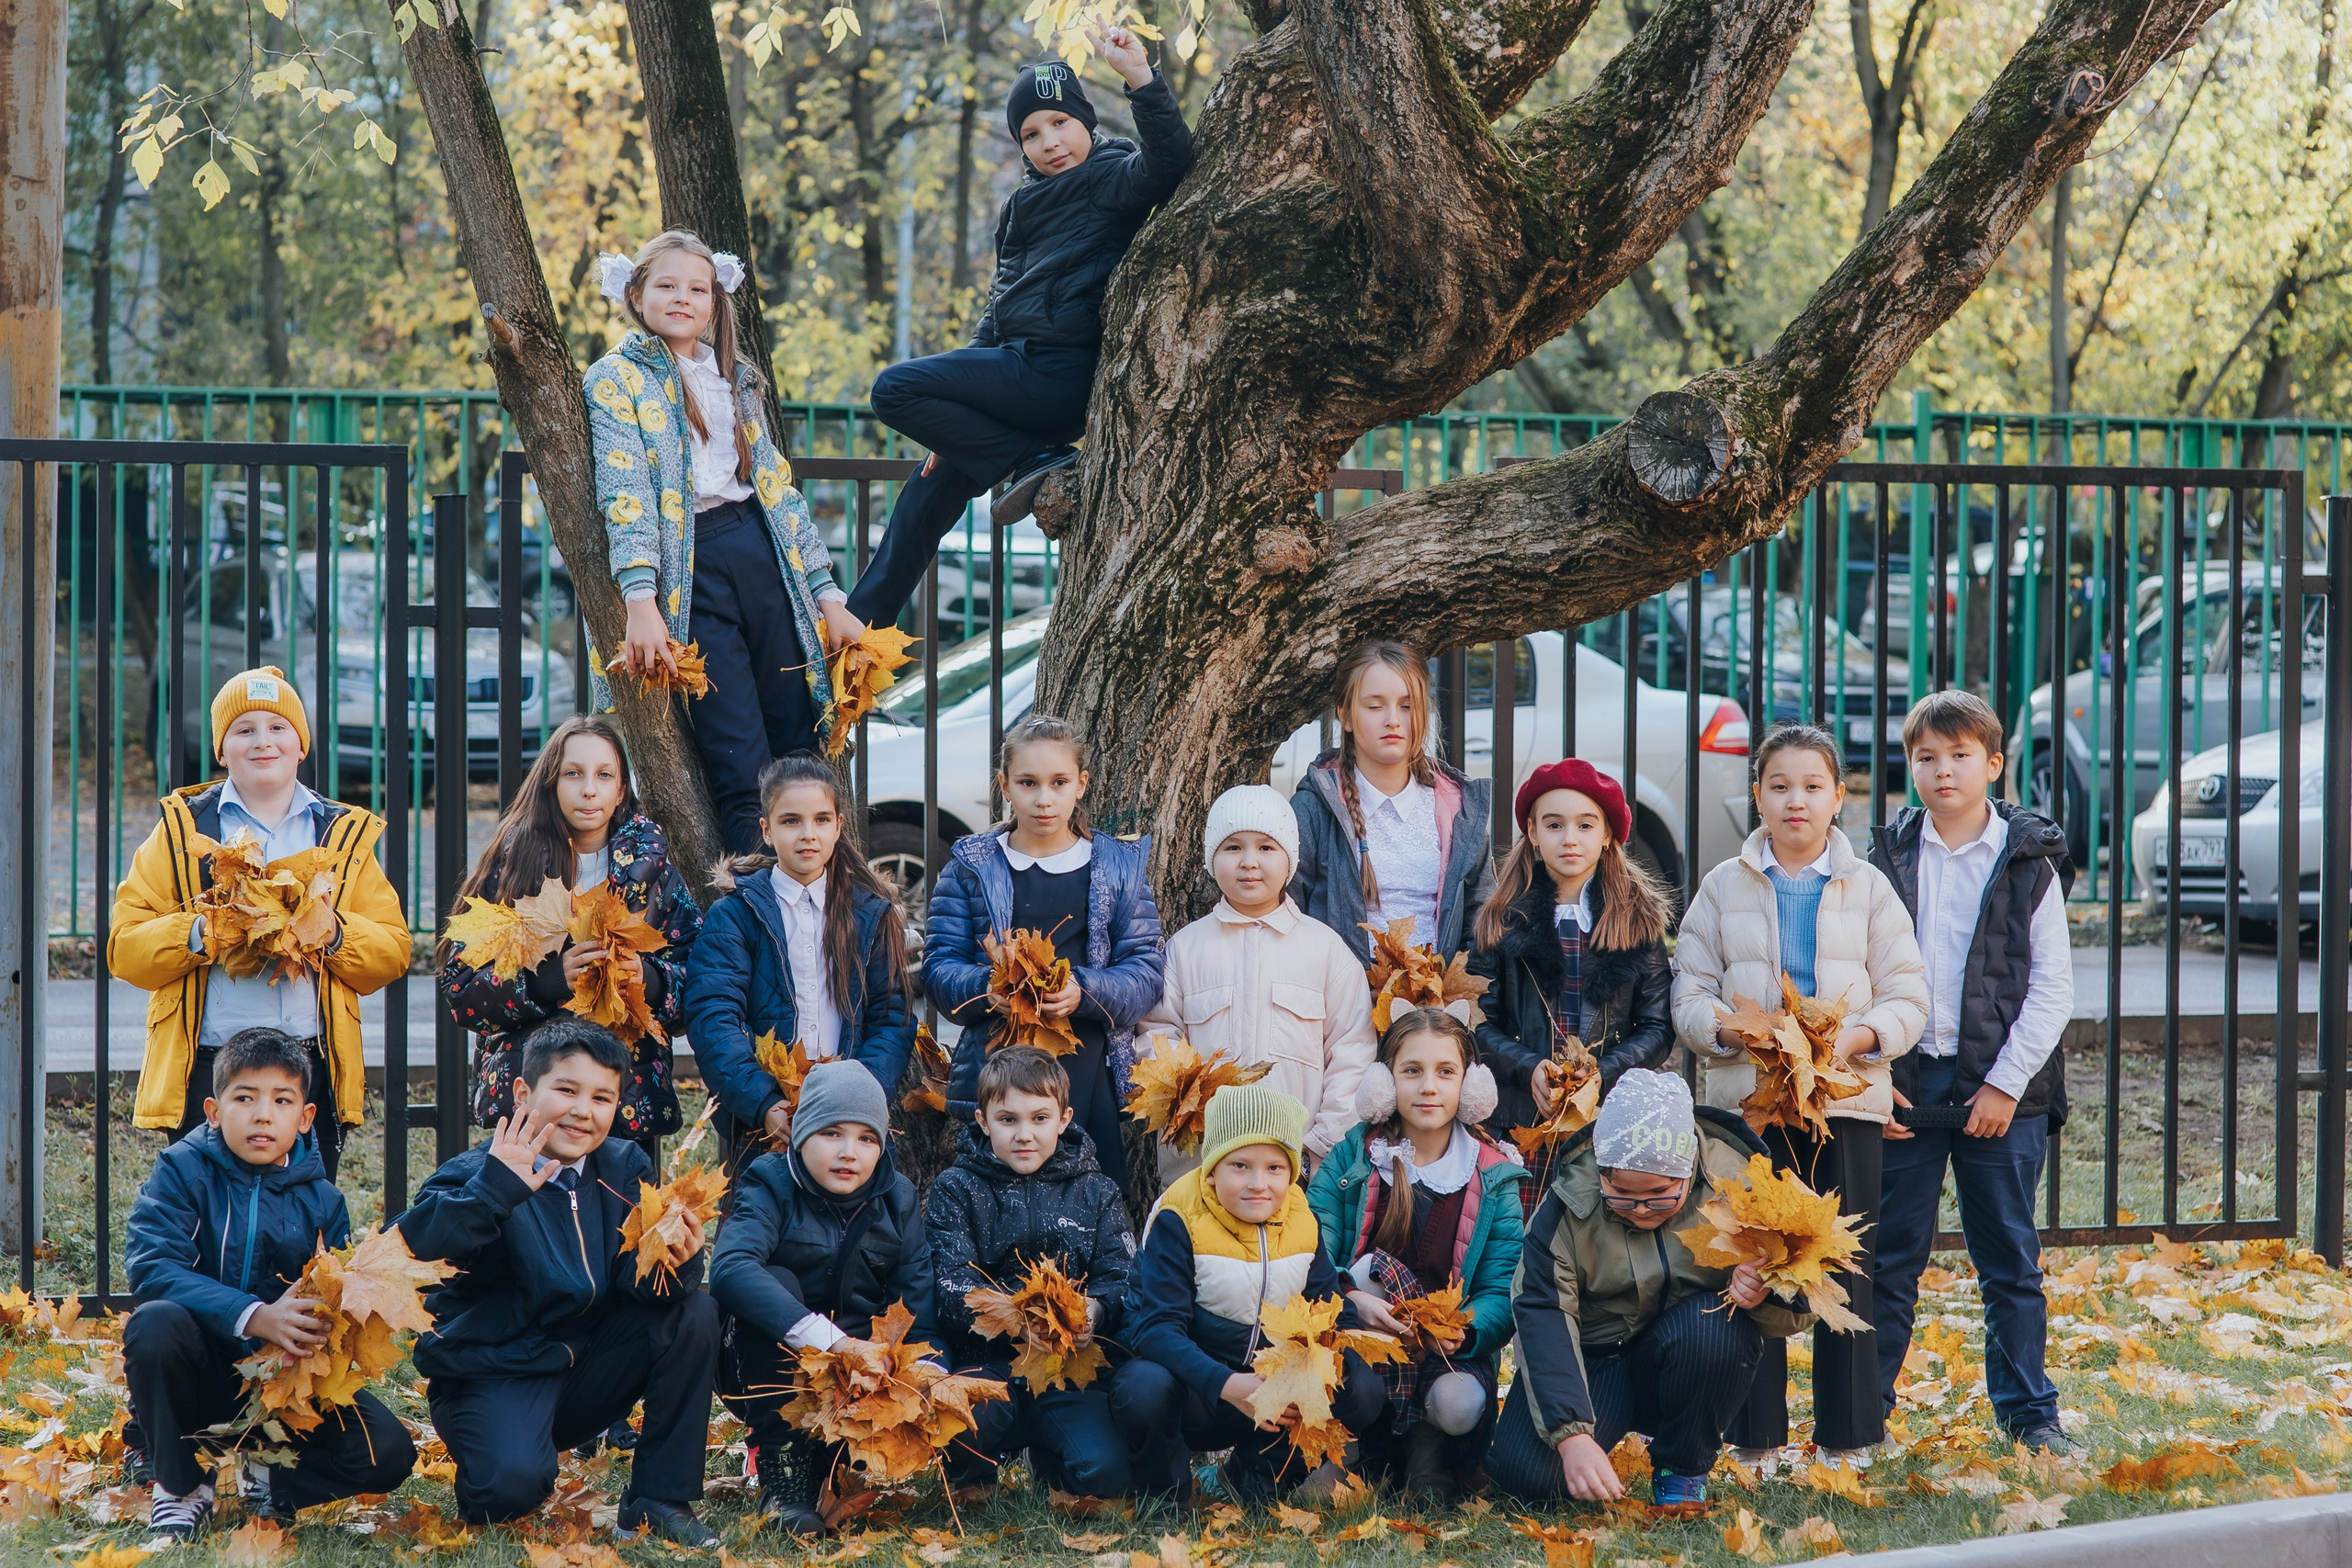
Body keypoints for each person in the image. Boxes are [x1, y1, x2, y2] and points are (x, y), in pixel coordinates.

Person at [842, 32, 1197, 629]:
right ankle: (860, 627)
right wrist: (954, 419)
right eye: (1031, 134)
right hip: (1014, 370)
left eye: (1060, 122)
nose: (1049, 142)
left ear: (1084, 120)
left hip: (1059, 374)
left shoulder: (1111, 177)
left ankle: (1034, 458)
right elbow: (997, 308)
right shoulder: (1019, 207)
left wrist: (1140, 77)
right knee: (931, 482)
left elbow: (1171, 162)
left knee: (891, 390)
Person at [1671, 723, 1928, 1470]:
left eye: (1813, 786)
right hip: (1751, 1103)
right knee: (1754, 1262)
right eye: (1779, 785)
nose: (1796, 800)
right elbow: (1689, 992)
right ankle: (1756, 1437)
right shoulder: (1722, 886)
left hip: (1842, 1101)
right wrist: (1731, 1033)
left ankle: (1849, 1435)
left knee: (1845, 1262)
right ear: (1757, 794)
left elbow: (1908, 994)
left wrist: (1853, 1043)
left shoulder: (1869, 888)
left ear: (1838, 799)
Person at [585, 229, 865, 855]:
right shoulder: (615, 378)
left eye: (697, 288)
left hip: (760, 555)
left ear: (715, 302)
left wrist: (827, 595)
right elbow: (623, 491)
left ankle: (818, 913)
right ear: (636, 293)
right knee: (738, 757)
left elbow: (779, 493)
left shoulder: (734, 377)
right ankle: (759, 914)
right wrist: (640, 600)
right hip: (692, 569)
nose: (682, 298)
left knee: (801, 742)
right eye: (666, 286)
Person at [396, 1019, 721, 1544]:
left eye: (602, 1097)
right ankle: (503, 1452)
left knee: (693, 1312)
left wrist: (676, 1263)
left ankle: (657, 1500)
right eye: (566, 1090)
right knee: (507, 1493)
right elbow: (411, 1249)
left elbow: (636, 1287)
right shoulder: (475, 1172)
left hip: (585, 1370)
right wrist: (492, 1192)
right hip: (495, 1372)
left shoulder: (622, 1166)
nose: (583, 1111)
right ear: (524, 1092)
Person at [1867, 691, 2075, 1453]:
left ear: (1993, 764)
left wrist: (2004, 1085)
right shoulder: (1885, 856)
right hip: (1908, 1081)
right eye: (1925, 757)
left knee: (2010, 1261)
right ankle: (1865, 1417)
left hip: (2004, 1087)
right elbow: (1861, 972)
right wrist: (1875, 1073)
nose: (1942, 770)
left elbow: (2053, 987)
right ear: (1909, 766)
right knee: (1888, 1260)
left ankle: (2030, 1417)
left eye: (1959, 756)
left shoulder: (2030, 861)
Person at [113, 666, 411, 1180]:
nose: (262, 742)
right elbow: (124, 948)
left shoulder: (341, 835)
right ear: (221, 751)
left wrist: (334, 934)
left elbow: (392, 953)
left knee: (300, 1215)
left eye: (277, 728)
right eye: (243, 730)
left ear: (302, 746)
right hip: (208, 1064)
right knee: (205, 1216)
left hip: (307, 1066)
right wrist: (199, 933)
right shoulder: (183, 832)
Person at [123, 1028, 417, 1541]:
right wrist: (256, 1315)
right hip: (199, 1370)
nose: (263, 1115)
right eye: (245, 1098)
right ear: (213, 1111)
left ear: (305, 1118)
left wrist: (319, 1328)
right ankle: (180, 1487)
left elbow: (334, 1300)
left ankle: (268, 1477)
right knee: (155, 1323)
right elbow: (153, 1269)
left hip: (281, 1383)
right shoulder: (181, 1171)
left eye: (282, 1100)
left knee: (387, 1451)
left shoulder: (323, 1200)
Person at [1487, 1070, 1810, 1506]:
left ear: (1689, 1170)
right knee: (1527, 1478)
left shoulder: (1742, 1188)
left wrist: (1765, 1290)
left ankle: (1682, 1468)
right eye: (1620, 1193)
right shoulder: (1565, 1208)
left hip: (1689, 1352)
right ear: (1601, 1170)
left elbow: (1807, 1285)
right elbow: (1543, 1313)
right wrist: (1571, 1436)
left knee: (1717, 1331)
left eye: (1659, 1194)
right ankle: (1588, 1437)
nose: (1640, 1208)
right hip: (1594, 1360)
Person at [1110, 1084, 1386, 1506]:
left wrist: (1333, 1358)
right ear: (1213, 1166)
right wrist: (1231, 1385)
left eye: (1275, 1168)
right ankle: (1165, 1495)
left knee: (1360, 1385)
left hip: (1271, 1389)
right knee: (1143, 1386)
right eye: (1240, 1165)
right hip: (1199, 1391)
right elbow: (1155, 1330)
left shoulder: (1300, 1217)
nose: (1259, 1184)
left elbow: (1331, 1309)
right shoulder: (1178, 1218)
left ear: (1292, 1172)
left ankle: (1256, 1473)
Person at [924, 715, 1165, 1193]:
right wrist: (985, 988)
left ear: (1082, 784)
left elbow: (1145, 968)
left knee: (1086, 1202)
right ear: (1004, 786)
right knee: (994, 1206)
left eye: (1058, 782)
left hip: (1085, 1066)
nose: (1043, 799)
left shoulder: (1116, 867)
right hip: (997, 1070)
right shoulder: (972, 868)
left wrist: (1086, 991)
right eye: (1027, 783)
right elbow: (939, 965)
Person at [441, 714, 700, 1157]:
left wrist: (649, 980)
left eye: (604, 775)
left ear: (621, 790)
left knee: (616, 1221)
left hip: (626, 1097)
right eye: (573, 774)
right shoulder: (511, 871)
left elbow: (697, 981)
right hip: (529, 1101)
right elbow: (462, 992)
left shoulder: (654, 876)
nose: (588, 789)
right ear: (550, 783)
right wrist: (548, 981)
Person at [709, 1061, 939, 1536]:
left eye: (866, 1138)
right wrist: (825, 1338)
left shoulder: (899, 1201)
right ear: (800, 1135)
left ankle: (826, 1460)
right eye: (832, 1133)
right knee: (772, 1278)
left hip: (855, 1383)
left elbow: (914, 1313)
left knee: (840, 1458)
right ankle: (779, 1469)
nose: (849, 1153)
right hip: (759, 1367)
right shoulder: (769, 1182)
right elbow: (731, 1269)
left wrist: (920, 1378)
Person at [1306, 1009, 1525, 1498]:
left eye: (1446, 1072)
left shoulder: (1493, 1176)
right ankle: (1353, 1451)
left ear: (1470, 1087)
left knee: (1459, 1403)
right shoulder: (1354, 1157)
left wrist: (1464, 1330)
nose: (1429, 1087)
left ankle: (1426, 1454)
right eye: (1412, 1071)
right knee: (1367, 1273)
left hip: (1443, 1347)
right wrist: (1348, 1297)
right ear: (1384, 1082)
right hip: (1362, 1328)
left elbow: (1501, 1286)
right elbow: (1311, 1244)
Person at [684, 754, 913, 1173]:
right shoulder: (735, 915)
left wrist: (858, 1098)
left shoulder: (870, 915)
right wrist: (764, 1102)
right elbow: (712, 1016)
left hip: (851, 1120)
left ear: (839, 826)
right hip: (766, 1123)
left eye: (821, 820)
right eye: (791, 821)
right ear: (767, 831)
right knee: (766, 1226)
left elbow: (891, 1016)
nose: (808, 834)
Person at [925, 1046, 1135, 1501]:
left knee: (1107, 1476)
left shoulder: (1096, 1191)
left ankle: (1053, 1455)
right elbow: (950, 1284)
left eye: (1040, 1118)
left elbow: (1123, 1278)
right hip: (986, 1364)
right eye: (1008, 1120)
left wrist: (1093, 1314)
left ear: (1064, 1118)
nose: (1025, 1135)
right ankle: (973, 1476)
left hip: (1067, 1369)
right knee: (965, 1428)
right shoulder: (956, 1189)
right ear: (982, 1121)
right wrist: (1019, 1318)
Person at [1138, 784, 1375, 1182]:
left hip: (1298, 1169)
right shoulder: (1184, 950)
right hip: (1202, 1168)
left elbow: (1353, 1055)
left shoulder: (1325, 951)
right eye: (1233, 847)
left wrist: (1318, 1146)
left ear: (1290, 861)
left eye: (1266, 847)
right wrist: (1194, 1116)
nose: (1249, 862)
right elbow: (1156, 1037)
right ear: (1211, 859)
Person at [1468, 760, 1673, 1190]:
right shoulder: (1501, 921)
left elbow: (1656, 1028)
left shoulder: (1637, 921)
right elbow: (1478, 1022)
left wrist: (1603, 1072)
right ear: (1532, 832)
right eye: (1555, 825)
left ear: (1606, 837)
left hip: (1607, 1117)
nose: (1570, 840)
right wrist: (1529, 1068)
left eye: (1585, 825)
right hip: (1521, 1119)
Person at [1290, 638, 1493, 967]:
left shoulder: (1456, 809)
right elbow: (1289, 917)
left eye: (1406, 706)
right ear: (1346, 716)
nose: (1393, 720)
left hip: (1437, 1009)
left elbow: (1482, 919)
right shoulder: (1313, 809)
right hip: (1344, 1006)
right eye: (1374, 706)